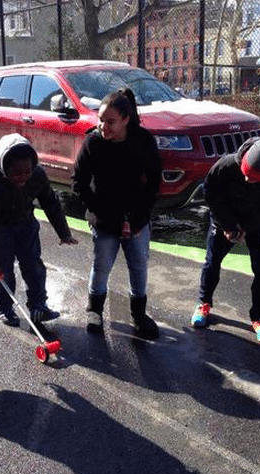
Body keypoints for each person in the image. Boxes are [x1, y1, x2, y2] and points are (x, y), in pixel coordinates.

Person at [72, 88, 162, 340]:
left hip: (137, 219)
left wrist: (136, 218)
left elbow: (154, 181)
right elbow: (78, 183)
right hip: (104, 219)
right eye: (100, 119)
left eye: (110, 121)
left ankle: (138, 314)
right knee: (101, 265)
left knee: (138, 266)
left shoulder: (143, 140)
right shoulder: (93, 143)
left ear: (126, 119)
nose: (103, 126)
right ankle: (95, 310)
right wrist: (108, 217)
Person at [190, 131, 260, 344]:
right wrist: (228, 225)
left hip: (257, 222)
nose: (247, 179)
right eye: (246, 173)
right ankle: (203, 303)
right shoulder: (226, 165)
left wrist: (248, 227)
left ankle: (259, 318)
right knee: (212, 261)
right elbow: (210, 193)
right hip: (224, 220)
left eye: (254, 178)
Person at [0, 133, 78, 334]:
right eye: (16, 173)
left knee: (33, 265)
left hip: (26, 224)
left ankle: (38, 305)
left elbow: (51, 203)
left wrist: (63, 233)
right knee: (3, 270)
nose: (22, 177)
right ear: (5, 168)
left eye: (26, 172)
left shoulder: (37, 175)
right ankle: (3, 306)